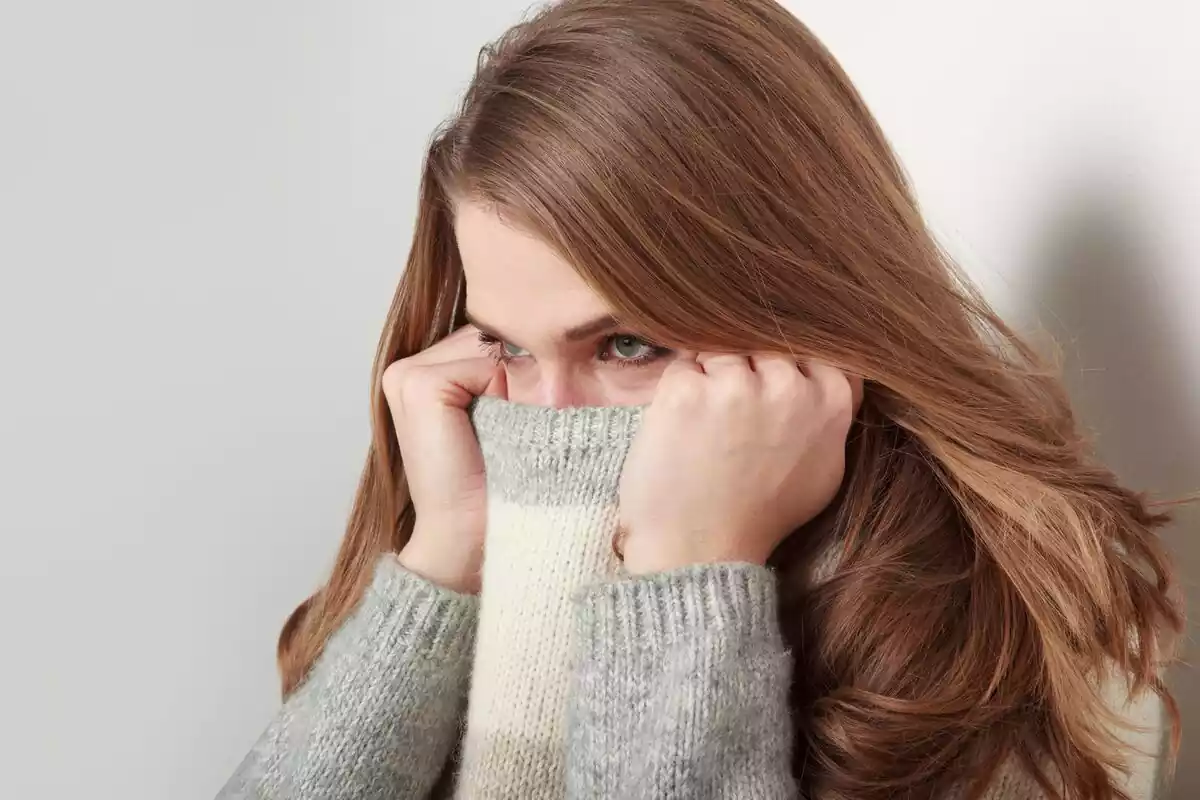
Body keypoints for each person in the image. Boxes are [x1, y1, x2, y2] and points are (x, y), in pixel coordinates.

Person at [218, 0, 1184, 798]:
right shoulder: (487, 524)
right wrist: (443, 562)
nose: (547, 424)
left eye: (627, 344)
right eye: (508, 347)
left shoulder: (1019, 640)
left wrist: (690, 582)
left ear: (795, 305)